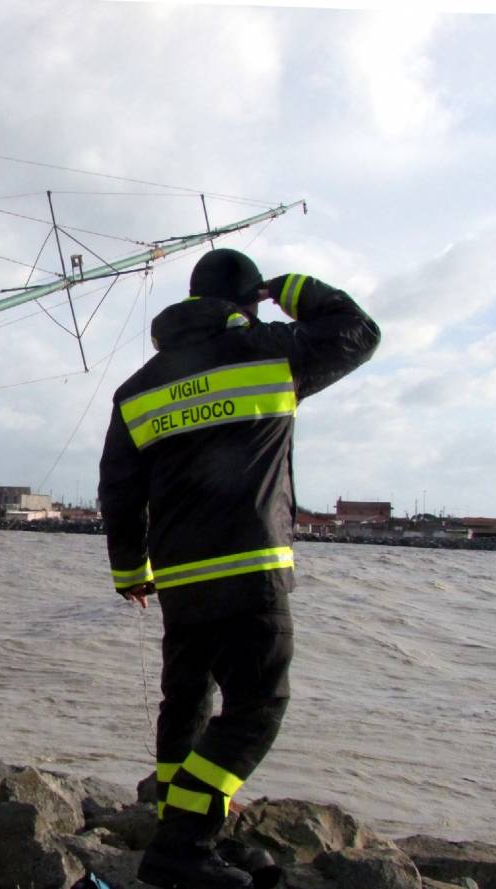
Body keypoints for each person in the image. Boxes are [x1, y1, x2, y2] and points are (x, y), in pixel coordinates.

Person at [98, 248, 380, 888]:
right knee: (256, 708)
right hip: (251, 568)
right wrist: (295, 288)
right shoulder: (271, 352)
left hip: (178, 578)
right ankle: (183, 846)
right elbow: (359, 332)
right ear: (246, 303)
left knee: (188, 698)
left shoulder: (139, 386)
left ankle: (182, 818)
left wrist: (129, 569)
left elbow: (118, 488)